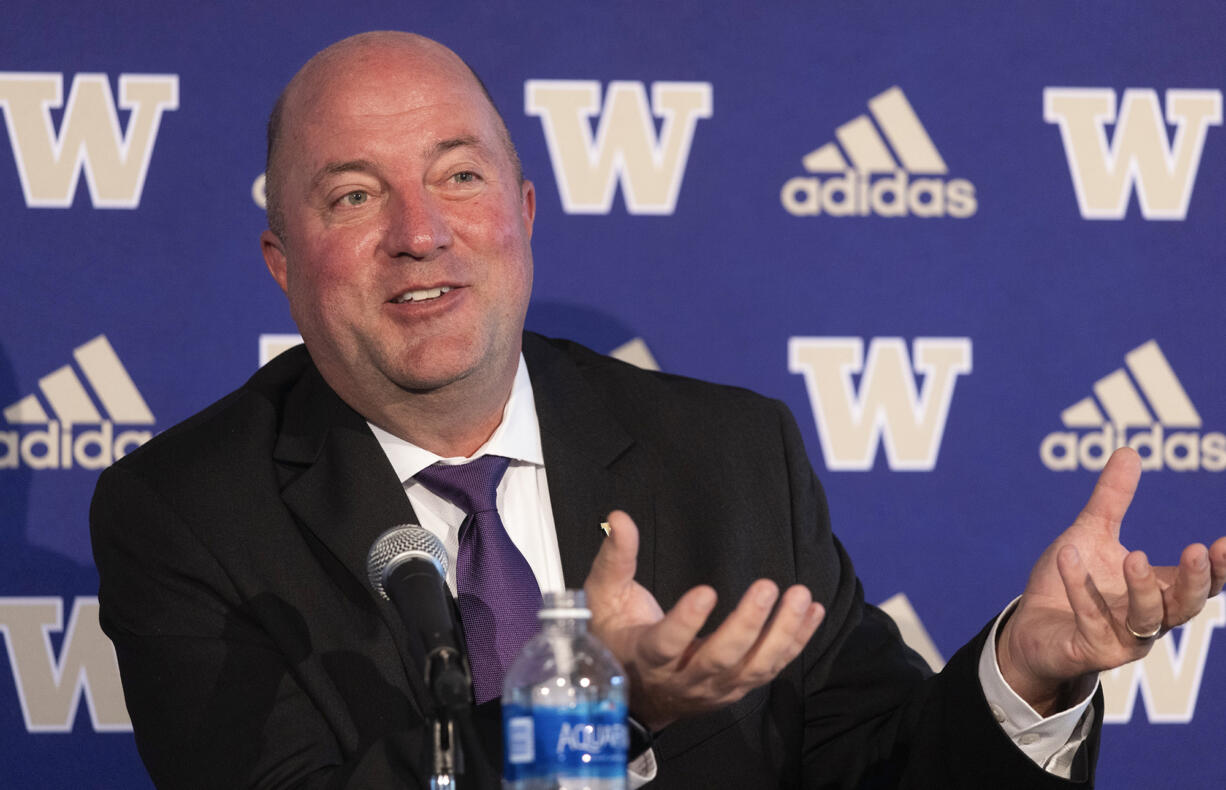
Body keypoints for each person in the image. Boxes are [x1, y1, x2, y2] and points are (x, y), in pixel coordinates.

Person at [90, 31, 1226, 790]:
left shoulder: (728, 454)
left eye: (459, 176)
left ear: (524, 213)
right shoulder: (188, 513)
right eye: (352, 194)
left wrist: (1024, 671)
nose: (418, 231)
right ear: (282, 263)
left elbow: (874, 766)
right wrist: (597, 712)